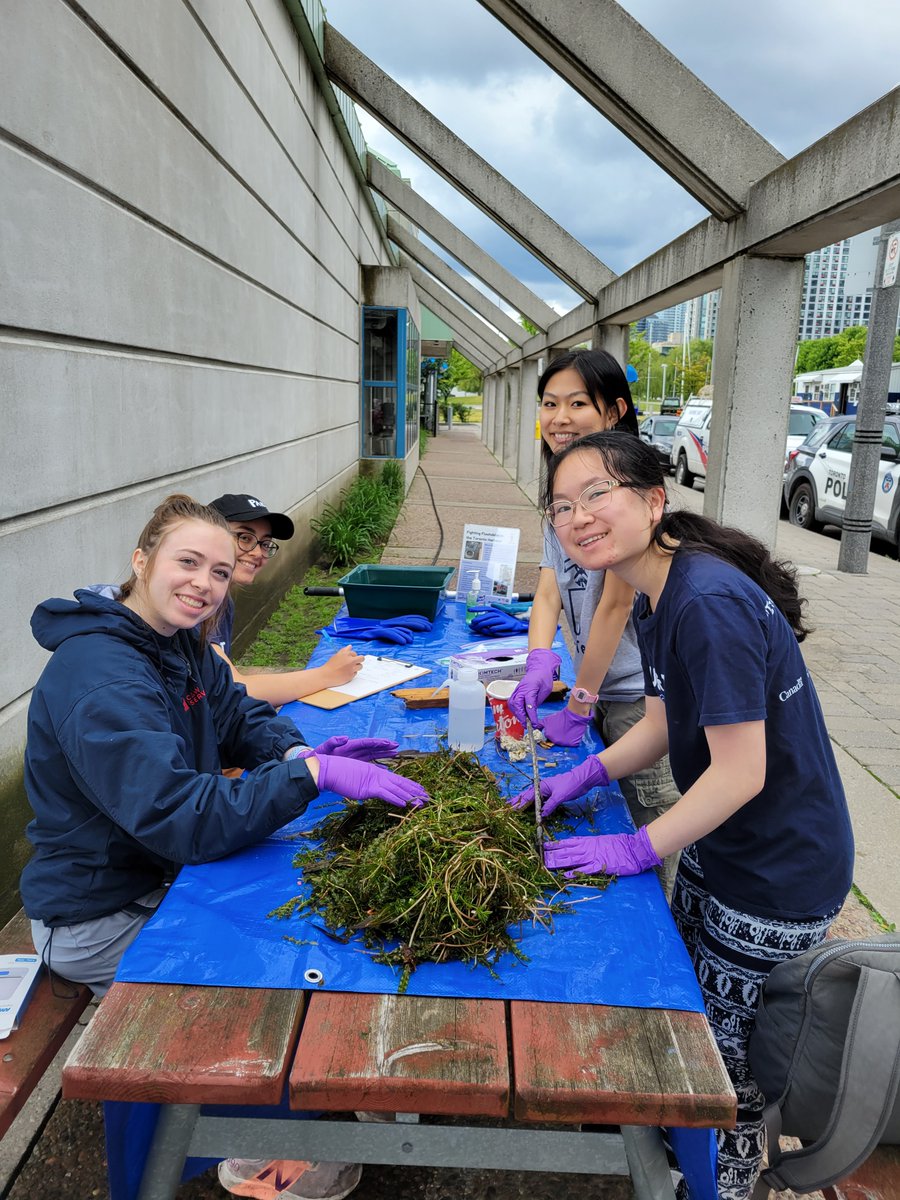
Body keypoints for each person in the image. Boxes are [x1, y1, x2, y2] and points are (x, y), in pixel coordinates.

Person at [508, 432, 854, 1200]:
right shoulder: (658, 590)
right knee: (691, 1017)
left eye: (598, 494)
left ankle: (718, 1189)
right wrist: (589, 772)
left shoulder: (705, 600)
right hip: (719, 849)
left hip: (775, 872)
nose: (578, 517)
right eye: (563, 506)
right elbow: (667, 720)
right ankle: (671, 1161)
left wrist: (635, 848)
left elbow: (741, 771)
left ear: (653, 498)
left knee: (723, 1071)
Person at [508, 349, 681, 893]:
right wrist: (540, 658)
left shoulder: (622, 494)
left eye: (577, 403)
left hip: (638, 702)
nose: (559, 417)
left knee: (651, 835)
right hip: (599, 690)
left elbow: (614, 604)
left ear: (614, 413)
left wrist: (580, 702)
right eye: (549, 403)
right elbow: (548, 588)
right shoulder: (564, 488)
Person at [208, 493, 363, 705]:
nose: (257, 552)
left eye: (265, 543)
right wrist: (327, 674)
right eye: (245, 538)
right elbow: (236, 689)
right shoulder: (193, 604)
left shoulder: (223, 601)